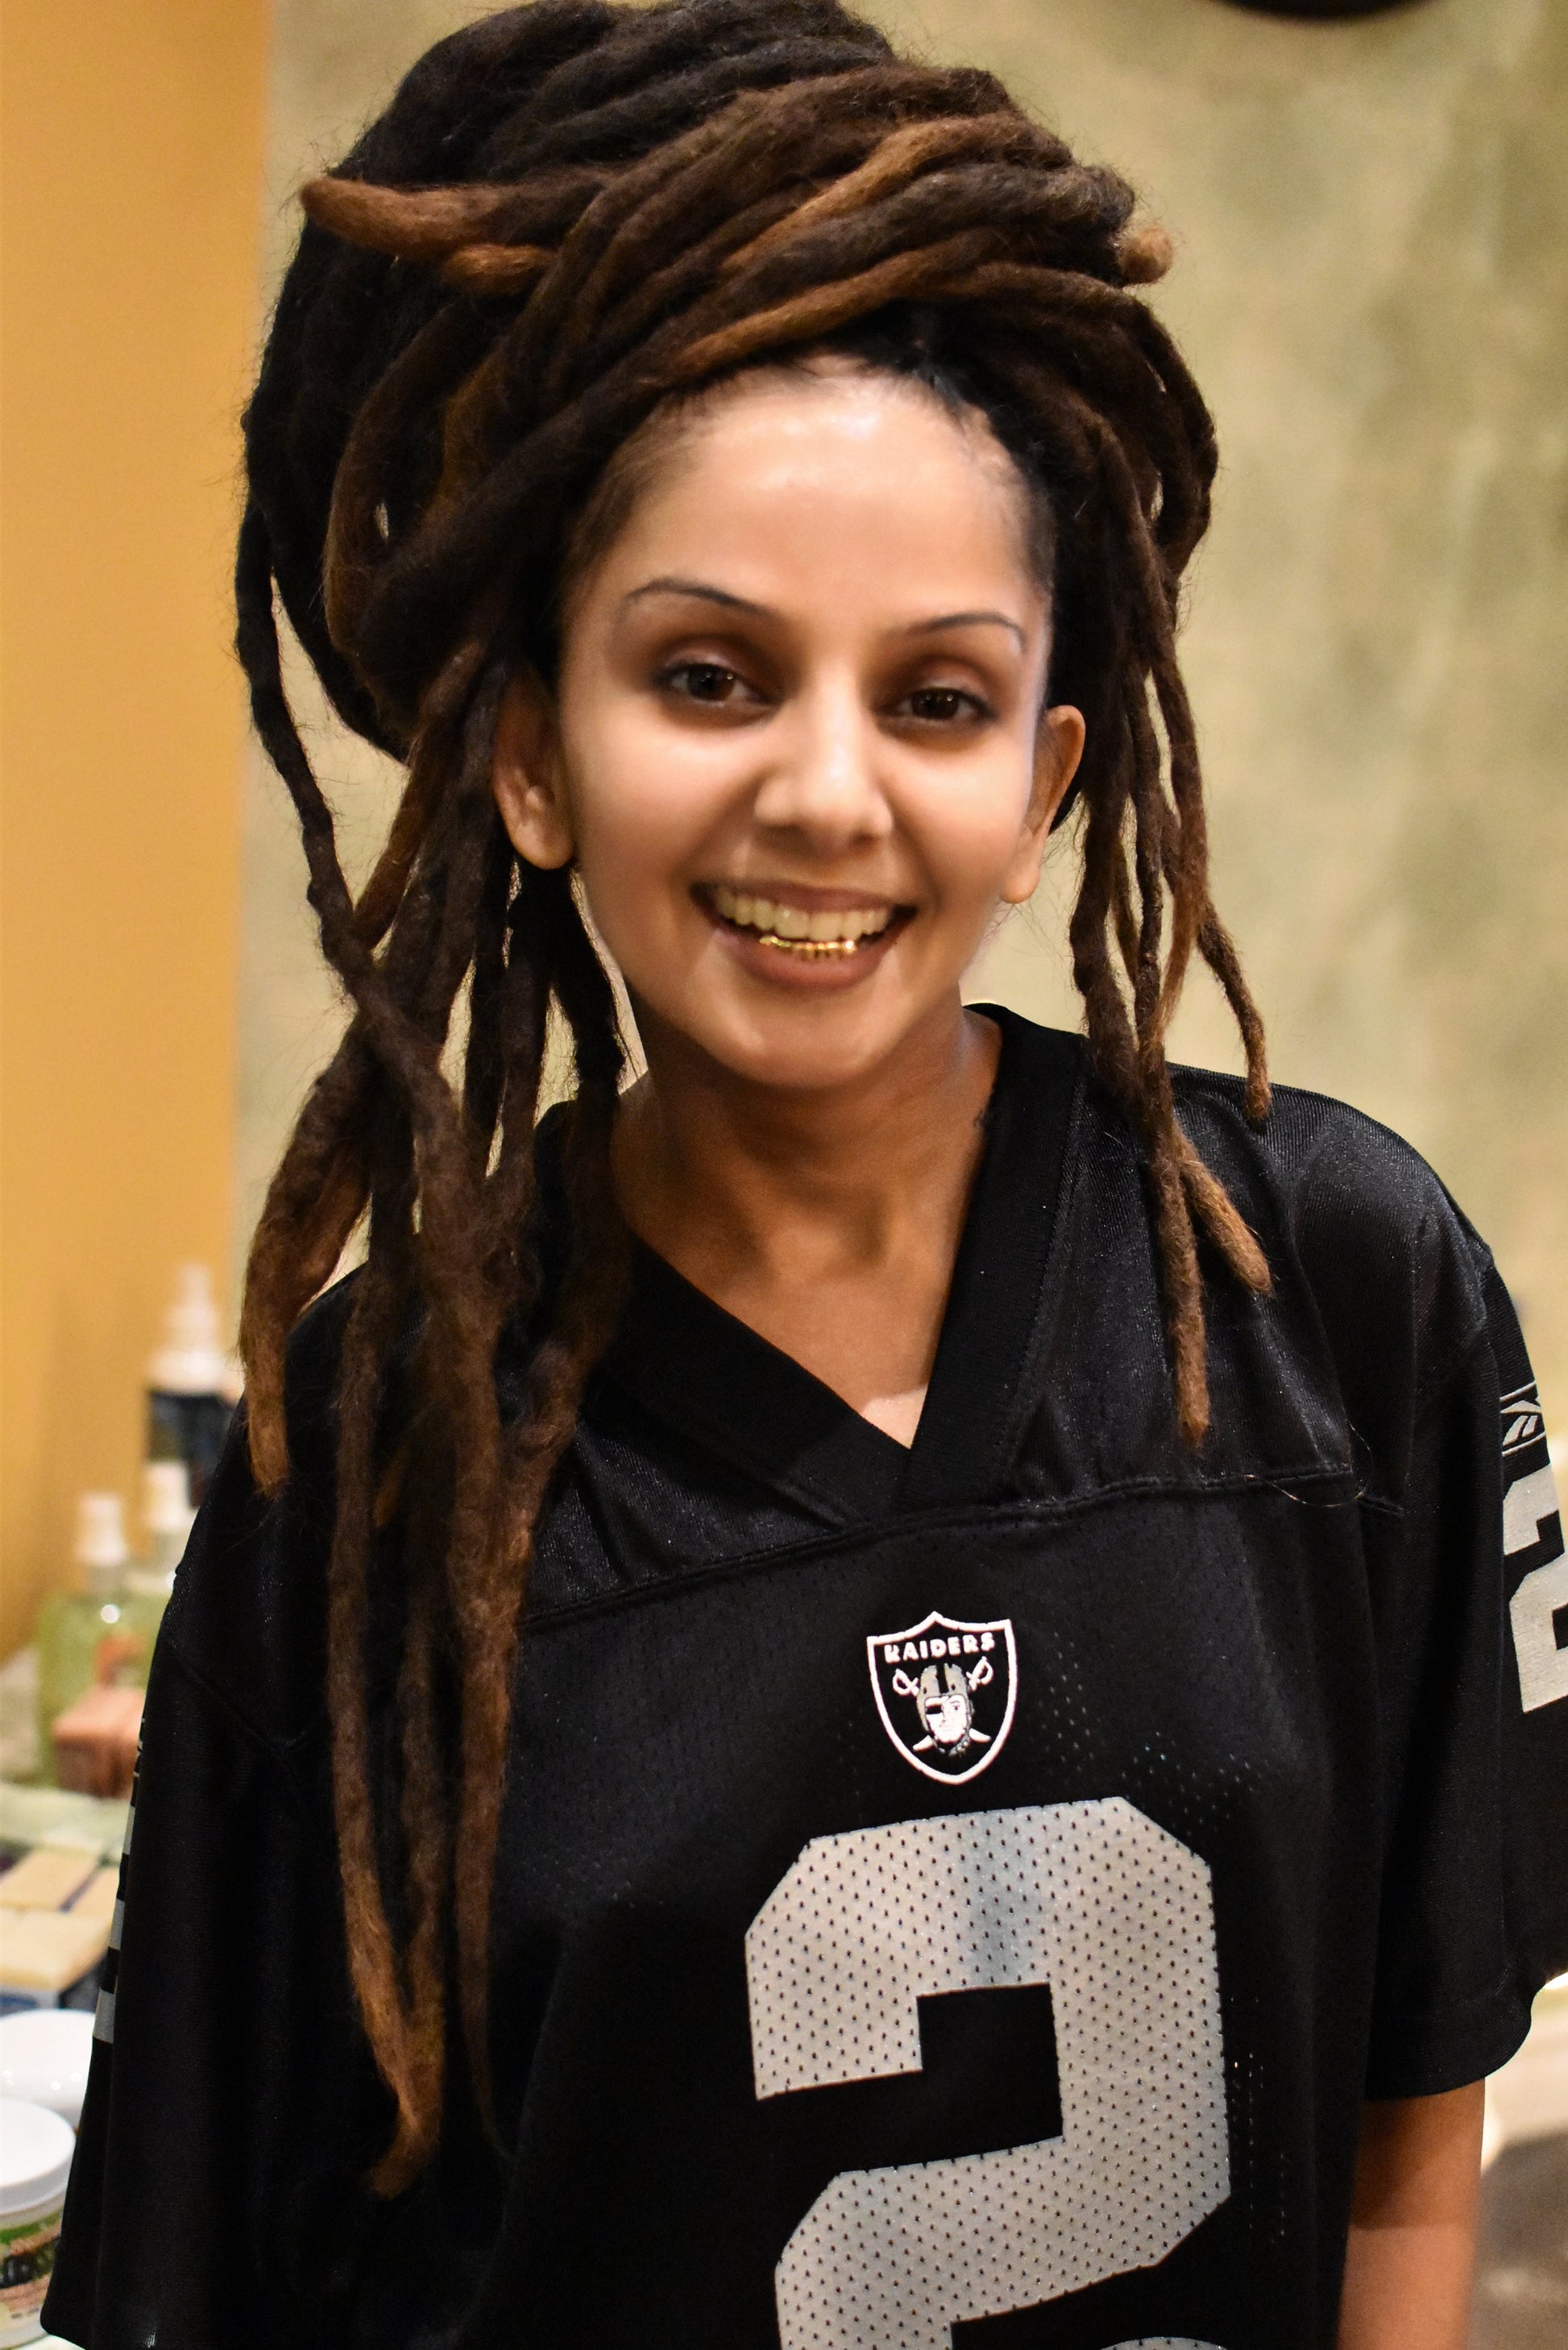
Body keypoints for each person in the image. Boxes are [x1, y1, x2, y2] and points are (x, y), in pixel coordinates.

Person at [46, 4, 1568, 2345]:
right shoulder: (363, 1460)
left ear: (1049, 770)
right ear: (532, 751)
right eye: (709, 675)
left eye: (934, 698)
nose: (827, 793)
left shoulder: (1331, 1283)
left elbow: (1407, 2109)